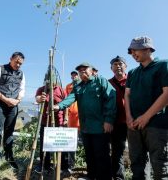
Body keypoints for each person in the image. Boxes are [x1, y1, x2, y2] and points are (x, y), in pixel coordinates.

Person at [54, 62, 116, 180]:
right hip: (86, 127)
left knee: (102, 155)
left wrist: (109, 120)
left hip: (100, 127)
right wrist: (59, 106)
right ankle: (91, 176)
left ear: (92, 70)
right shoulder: (78, 86)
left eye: (85, 69)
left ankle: (104, 178)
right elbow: (70, 98)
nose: (82, 72)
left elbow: (111, 98)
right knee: (90, 154)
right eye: (80, 70)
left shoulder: (100, 81)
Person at [125, 36, 168, 180]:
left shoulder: (163, 65)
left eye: (135, 50)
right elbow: (127, 96)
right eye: (131, 51)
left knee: (160, 167)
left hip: (157, 125)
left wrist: (146, 117)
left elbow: (167, 93)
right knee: (137, 164)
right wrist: (128, 117)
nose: (133, 54)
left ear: (148, 49)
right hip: (134, 126)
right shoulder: (132, 73)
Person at [0, 52, 25, 170]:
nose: (18, 65)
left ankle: (9, 157)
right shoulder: (0, 68)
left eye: (20, 63)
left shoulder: (21, 74)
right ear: (11, 59)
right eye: (16, 62)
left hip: (13, 106)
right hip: (0, 103)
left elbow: (22, 89)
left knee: (9, 133)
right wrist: (5, 99)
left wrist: (17, 100)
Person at [34, 72, 67, 174]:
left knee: (61, 145)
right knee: (45, 144)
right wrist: (40, 99)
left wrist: (66, 118)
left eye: (53, 82)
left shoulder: (61, 90)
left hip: (59, 122)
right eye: (49, 82)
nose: (51, 84)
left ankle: (63, 166)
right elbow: (37, 98)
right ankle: (45, 165)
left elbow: (67, 104)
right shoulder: (41, 89)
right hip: (45, 122)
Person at [109, 56, 128, 180]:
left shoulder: (133, 80)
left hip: (135, 121)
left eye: (120, 63)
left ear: (126, 66)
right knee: (117, 152)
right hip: (117, 123)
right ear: (111, 68)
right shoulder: (108, 83)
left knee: (140, 151)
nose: (118, 66)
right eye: (115, 64)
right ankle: (118, 177)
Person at [65, 71, 80, 170]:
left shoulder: (83, 84)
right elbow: (66, 101)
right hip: (72, 119)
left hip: (83, 118)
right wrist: (66, 116)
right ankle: (71, 164)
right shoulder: (68, 86)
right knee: (72, 142)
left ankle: (91, 166)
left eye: (75, 75)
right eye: (72, 75)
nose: (74, 76)